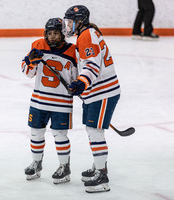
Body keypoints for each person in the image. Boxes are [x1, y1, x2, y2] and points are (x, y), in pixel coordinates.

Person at [63, 5, 121, 193]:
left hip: (103, 92)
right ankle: (99, 167)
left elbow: (93, 65)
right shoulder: (87, 34)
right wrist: (83, 85)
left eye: (71, 22)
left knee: (95, 131)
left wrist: (81, 82)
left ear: (80, 21)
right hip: (97, 92)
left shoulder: (87, 35)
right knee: (92, 129)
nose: (68, 26)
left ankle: (102, 175)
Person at [21, 18, 78, 184]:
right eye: (49, 33)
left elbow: (77, 75)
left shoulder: (74, 51)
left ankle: (64, 167)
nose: (52, 37)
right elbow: (27, 72)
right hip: (39, 100)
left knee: (60, 135)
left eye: (56, 33)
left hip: (62, 103)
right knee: (36, 132)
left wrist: (78, 84)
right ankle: (36, 163)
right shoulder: (38, 46)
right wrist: (31, 61)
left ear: (63, 34)